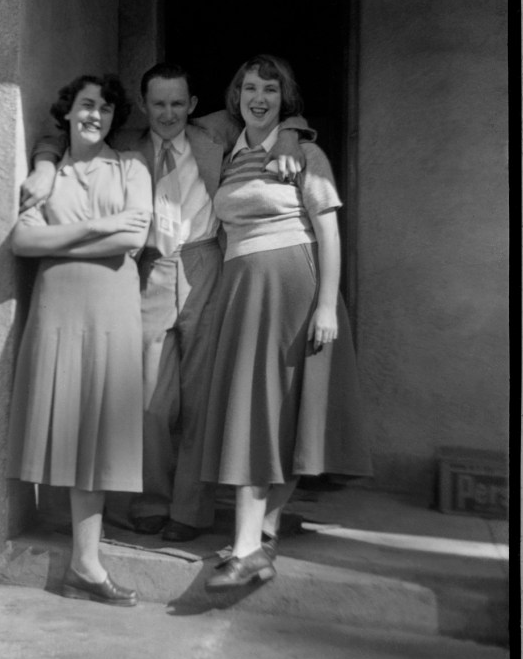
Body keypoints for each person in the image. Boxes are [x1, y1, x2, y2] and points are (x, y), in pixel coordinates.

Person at [22, 63, 313, 542]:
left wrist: (287, 139)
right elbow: (60, 133)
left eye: (178, 103)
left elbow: (281, 114)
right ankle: (151, 502)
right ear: (142, 104)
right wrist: (44, 164)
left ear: (193, 104)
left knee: (203, 396)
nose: (169, 113)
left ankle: (190, 512)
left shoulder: (216, 129)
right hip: (150, 270)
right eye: (158, 103)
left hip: (206, 268)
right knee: (151, 401)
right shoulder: (127, 147)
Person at [199, 54, 371, 590]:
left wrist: (326, 305)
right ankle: (262, 535)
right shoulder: (227, 151)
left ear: (284, 98)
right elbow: (182, 120)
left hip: (295, 292)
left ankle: (248, 546)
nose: (259, 98)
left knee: (287, 415)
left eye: (270, 90)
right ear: (235, 96)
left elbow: (329, 233)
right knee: (261, 414)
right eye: (249, 87)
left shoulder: (307, 154)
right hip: (243, 294)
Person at [8, 73, 152, 607]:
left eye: (107, 108)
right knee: (63, 420)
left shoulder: (132, 166)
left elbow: (135, 236)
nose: (96, 115)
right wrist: (99, 228)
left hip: (111, 305)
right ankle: (83, 565)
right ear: (68, 111)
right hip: (57, 307)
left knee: (96, 430)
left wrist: (61, 239)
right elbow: (23, 241)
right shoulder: (46, 174)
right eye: (87, 105)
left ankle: (86, 564)